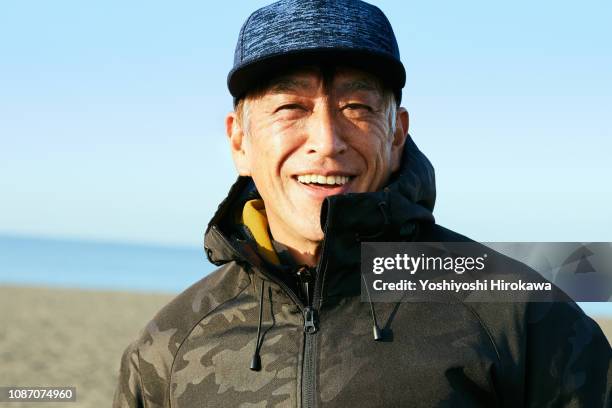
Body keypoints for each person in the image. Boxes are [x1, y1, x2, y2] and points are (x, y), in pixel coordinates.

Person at [113, 1, 611, 407]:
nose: (327, 141)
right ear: (239, 140)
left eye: (357, 108)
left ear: (397, 133)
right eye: (291, 108)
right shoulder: (170, 346)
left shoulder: (518, 311)